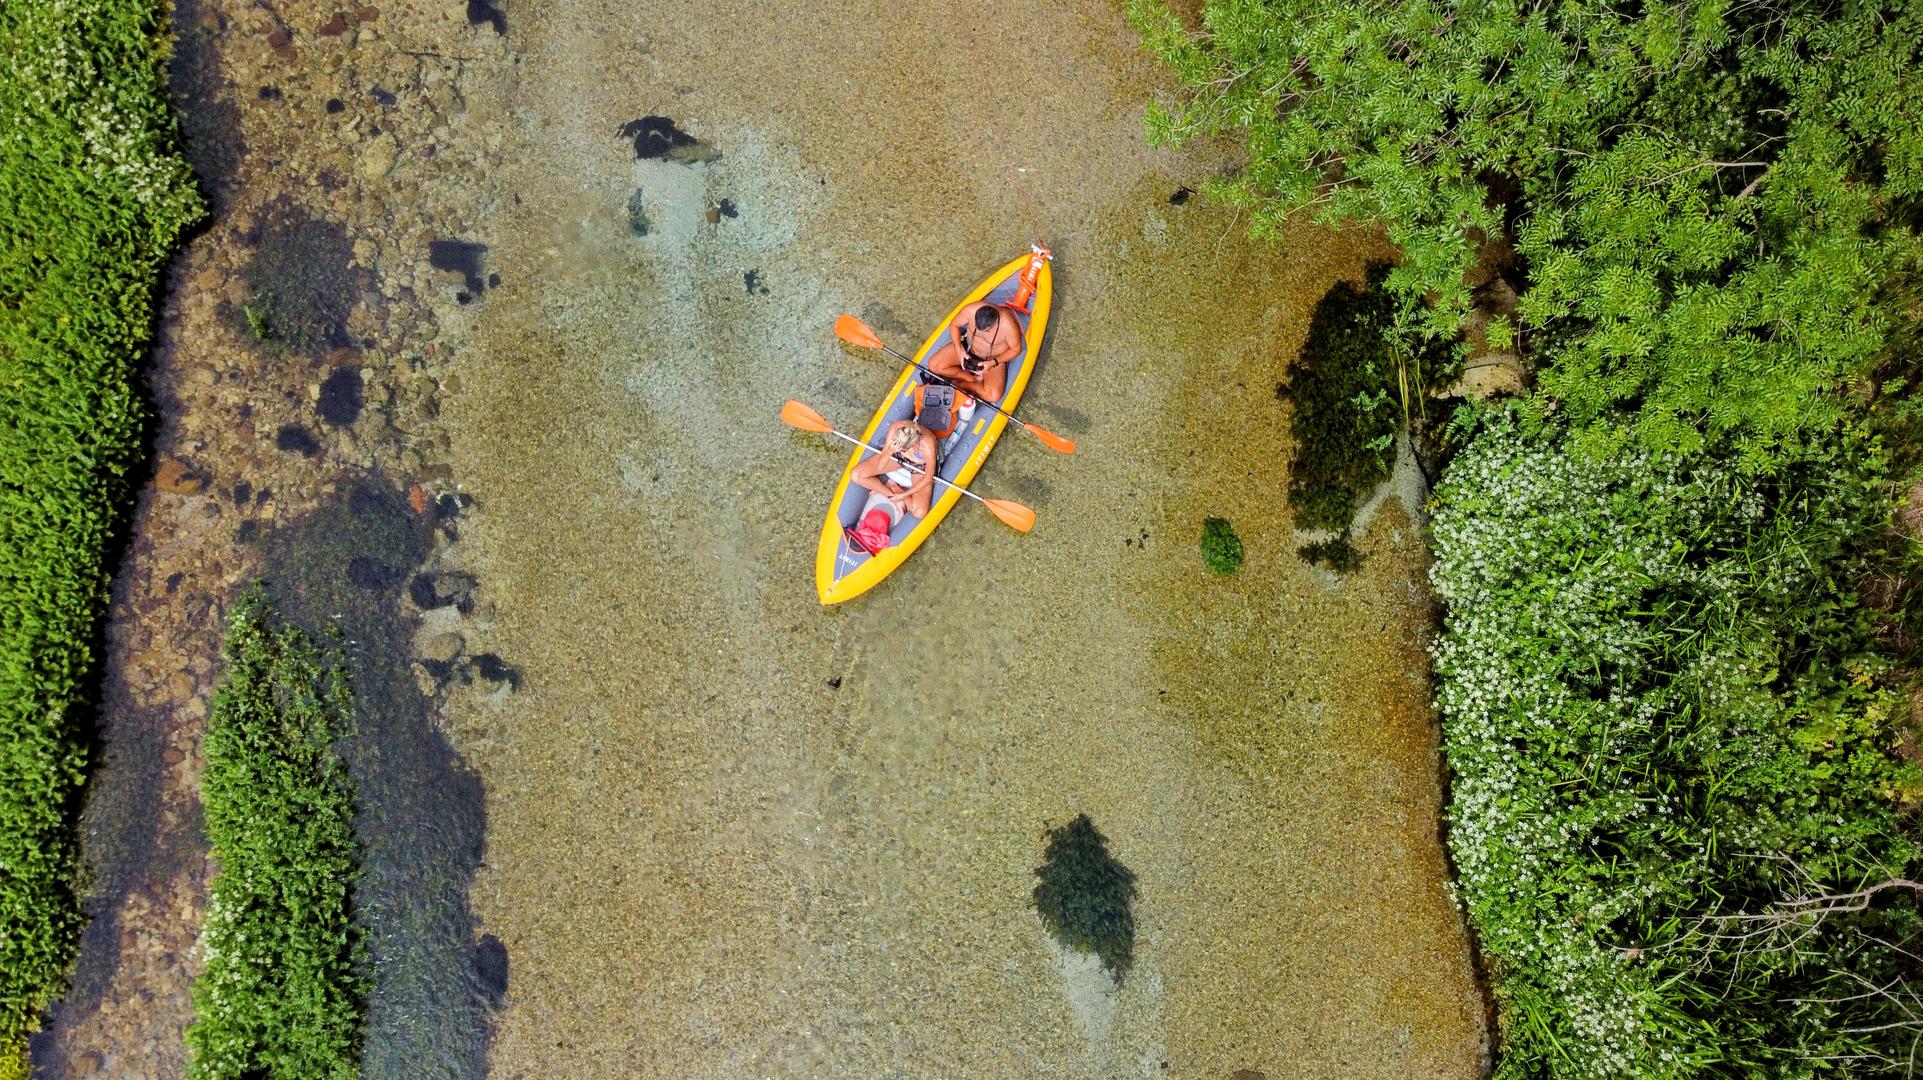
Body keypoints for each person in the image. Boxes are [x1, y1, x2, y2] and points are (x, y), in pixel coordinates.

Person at [927, 300, 1022, 403]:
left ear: (994, 323)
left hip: (993, 359)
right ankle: (970, 379)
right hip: (968, 349)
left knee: (993, 396)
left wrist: (993, 362)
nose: (981, 333)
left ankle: (960, 384)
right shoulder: (970, 309)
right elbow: (954, 324)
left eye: (986, 331)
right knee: (933, 365)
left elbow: (1016, 350)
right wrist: (959, 350)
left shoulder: (1008, 326)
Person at [852, 419, 938, 525]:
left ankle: (897, 489)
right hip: (897, 457)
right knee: (856, 475)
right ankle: (890, 493)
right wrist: (890, 451)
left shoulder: (928, 444)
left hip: (919, 467)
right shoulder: (895, 428)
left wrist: (904, 494)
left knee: (919, 512)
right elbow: (880, 466)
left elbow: (928, 477)